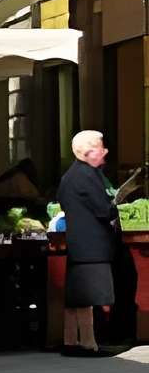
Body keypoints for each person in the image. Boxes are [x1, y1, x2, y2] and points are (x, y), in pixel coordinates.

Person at [58, 129, 120, 358]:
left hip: (78, 243)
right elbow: (104, 209)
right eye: (100, 148)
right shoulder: (87, 176)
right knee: (88, 296)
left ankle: (71, 340)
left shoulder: (71, 175)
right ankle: (88, 344)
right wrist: (115, 206)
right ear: (87, 152)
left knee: (76, 297)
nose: (105, 152)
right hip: (92, 245)